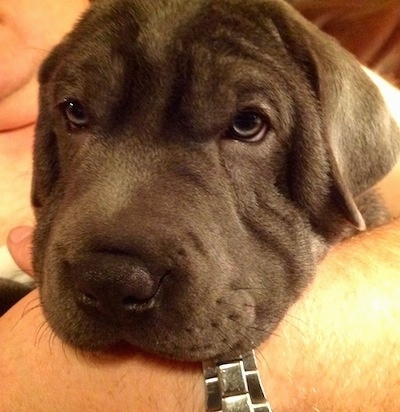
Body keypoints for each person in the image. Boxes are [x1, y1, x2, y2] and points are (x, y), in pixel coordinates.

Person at [1, 1, 400, 411]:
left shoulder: (303, 61)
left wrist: (244, 388)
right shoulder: (80, 61)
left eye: (245, 125)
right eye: (77, 113)